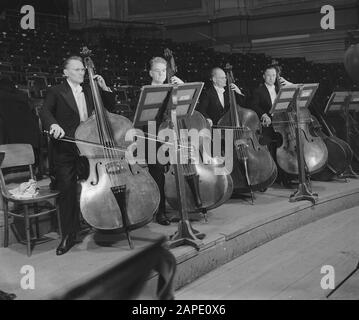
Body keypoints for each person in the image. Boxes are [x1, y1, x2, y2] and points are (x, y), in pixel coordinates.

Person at [40, 56, 115, 255]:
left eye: (83, 69)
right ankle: (69, 234)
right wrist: (53, 124)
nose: (82, 72)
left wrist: (104, 87)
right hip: (66, 149)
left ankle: (102, 222)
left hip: (89, 148)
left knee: (100, 185)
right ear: (65, 72)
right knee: (67, 190)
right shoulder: (56, 91)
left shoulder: (91, 90)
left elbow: (111, 107)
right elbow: (45, 111)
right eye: (77, 69)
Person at [146, 56, 183, 225]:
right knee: (159, 175)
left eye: (164, 70)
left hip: (173, 136)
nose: (161, 74)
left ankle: (184, 206)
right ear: (150, 73)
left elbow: (184, 111)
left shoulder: (173, 89)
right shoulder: (146, 91)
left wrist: (181, 90)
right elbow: (143, 120)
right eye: (157, 71)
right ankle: (160, 212)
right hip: (153, 138)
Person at [250, 65, 293, 186]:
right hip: (267, 124)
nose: (271, 78)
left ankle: (287, 174)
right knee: (272, 147)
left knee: (285, 146)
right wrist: (264, 114)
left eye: (274, 75)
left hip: (282, 124)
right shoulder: (258, 91)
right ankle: (273, 175)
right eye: (268, 75)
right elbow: (254, 105)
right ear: (264, 76)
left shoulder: (281, 89)